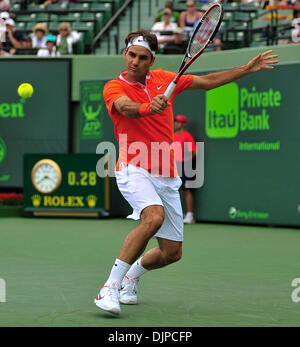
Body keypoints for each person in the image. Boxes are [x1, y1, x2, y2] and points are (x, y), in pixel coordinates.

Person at [94, 29, 278, 315]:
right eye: (131, 55)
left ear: (151, 60)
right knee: (153, 216)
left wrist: (247, 68)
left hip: (166, 174)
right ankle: (109, 287)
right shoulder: (113, 87)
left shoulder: (167, 80)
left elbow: (207, 82)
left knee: (171, 253)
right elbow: (125, 108)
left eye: (142, 58)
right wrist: (146, 107)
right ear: (124, 54)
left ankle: (131, 277)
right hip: (133, 166)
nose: (135, 62)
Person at [174, 115, 196, 224]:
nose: (176, 124)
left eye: (179, 122)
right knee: (174, 191)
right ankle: (179, 214)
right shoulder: (173, 136)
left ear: (183, 124)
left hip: (184, 165)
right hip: (174, 166)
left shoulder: (187, 136)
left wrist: (186, 162)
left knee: (186, 190)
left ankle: (190, 215)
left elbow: (194, 152)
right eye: (176, 122)